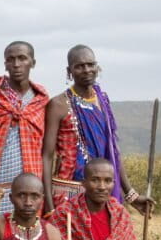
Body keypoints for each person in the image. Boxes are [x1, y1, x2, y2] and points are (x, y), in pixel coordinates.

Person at [42, 44, 153, 216]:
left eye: (90, 64)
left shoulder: (103, 100)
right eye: (79, 66)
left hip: (102, 191)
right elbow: (47, 156)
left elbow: (113, 151)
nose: (86, 70)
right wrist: (49, 207)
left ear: (97, 67)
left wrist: (131, 195)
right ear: (69, 71)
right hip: (69, 192)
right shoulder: (58, 105)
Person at [0, 41, 49, 214]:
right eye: (11, 59)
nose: (16, 64)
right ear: (5, 64)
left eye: (22, 58)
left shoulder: (40, 99)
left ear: (33, 62)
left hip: (30, 188)